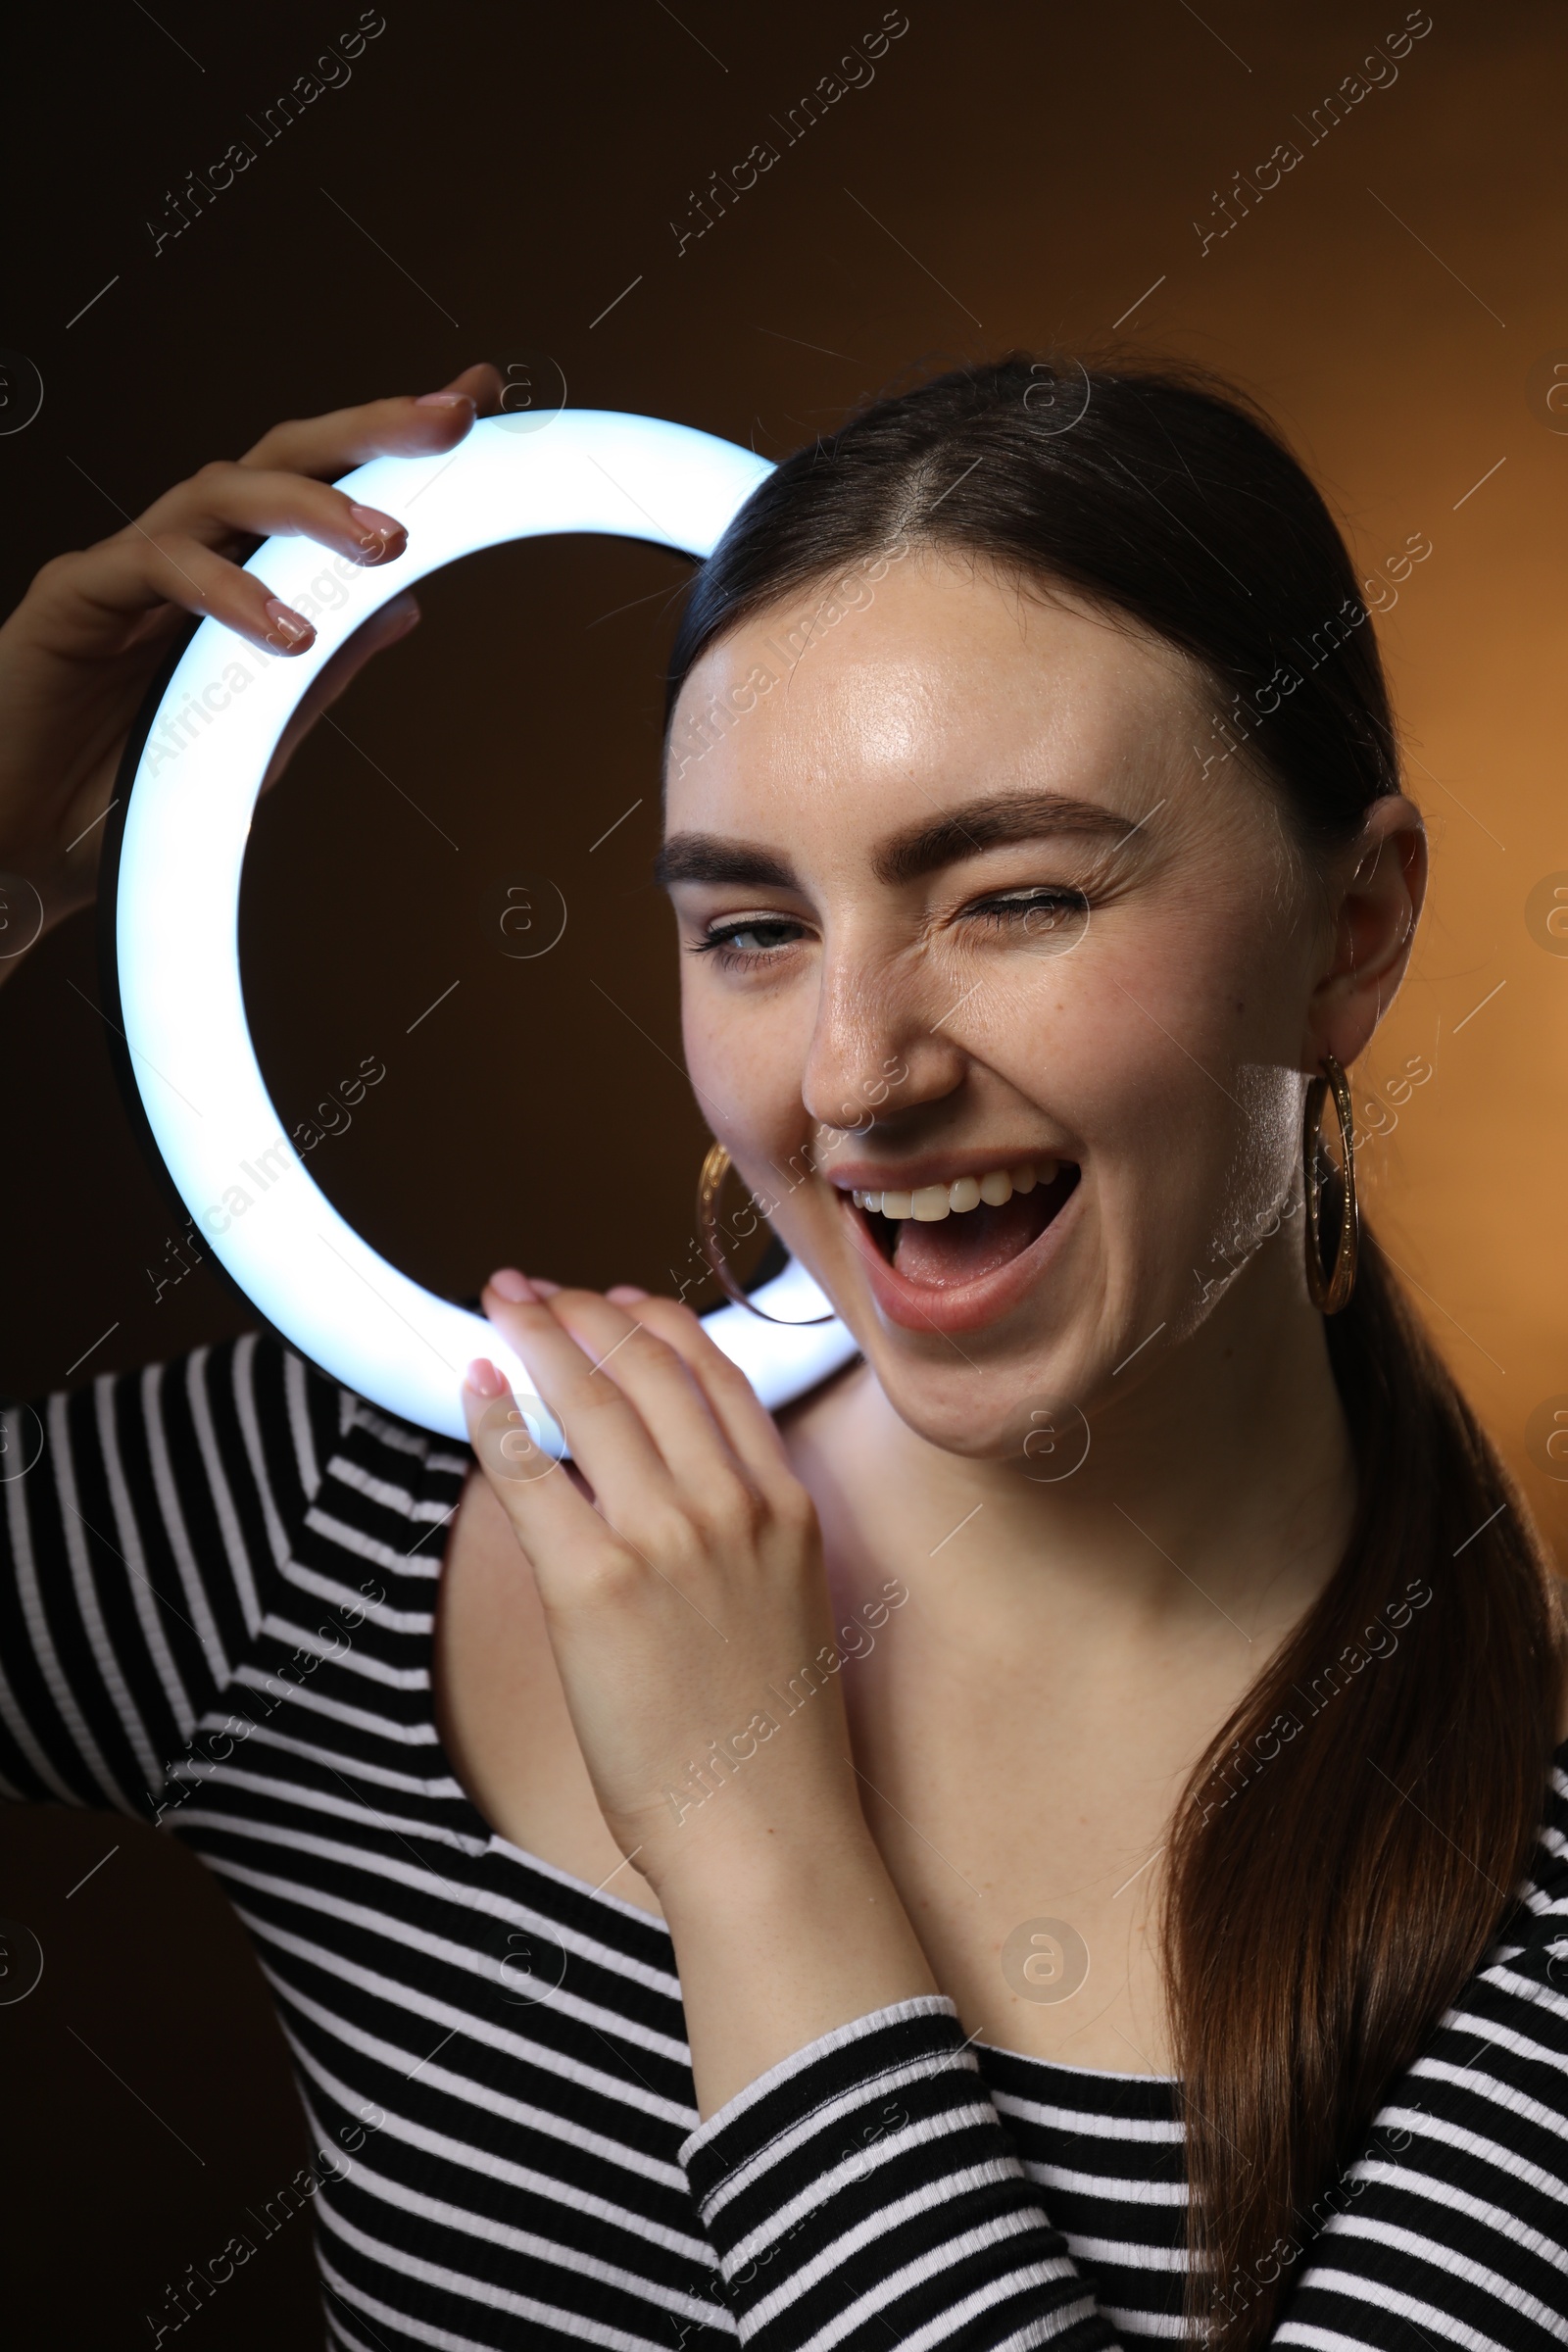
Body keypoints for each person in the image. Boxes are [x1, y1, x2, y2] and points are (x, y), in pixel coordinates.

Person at [1, 355, 1564, 2352]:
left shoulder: (1522, 1870)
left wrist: (746, 1843)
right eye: (748, 929)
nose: (852, 1076)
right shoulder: (372, 1513)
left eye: (1011, 899)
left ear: (1351, 930)